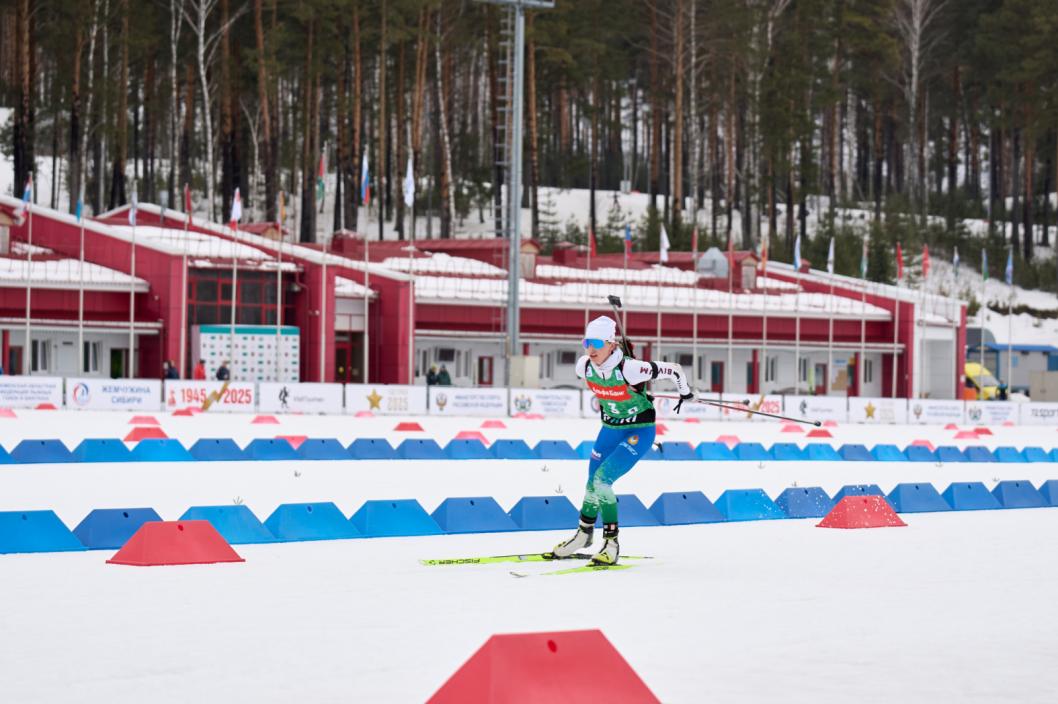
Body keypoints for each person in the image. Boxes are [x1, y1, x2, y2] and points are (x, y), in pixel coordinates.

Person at [552, 315, 693, 565]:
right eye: (587, 342)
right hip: (610, 429)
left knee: (603, 481)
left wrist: (685, 392)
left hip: (639, 431)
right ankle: (584, 535)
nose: (591, 349)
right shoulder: (583, 366)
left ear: (611, 344)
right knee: (591, 483)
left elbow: (674, 370)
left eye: (597, 342)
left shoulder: (631, 368)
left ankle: (611, 542)